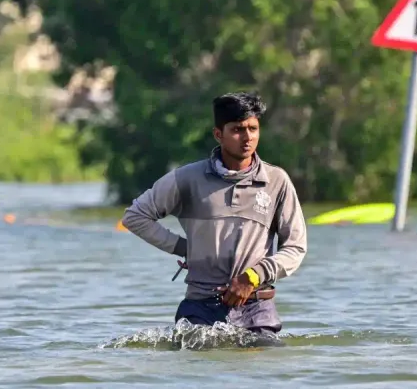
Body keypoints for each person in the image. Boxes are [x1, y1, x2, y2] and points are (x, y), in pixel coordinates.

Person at [121, 92, 307, 334]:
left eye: (253, 128)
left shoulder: (276, 181)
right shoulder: (187, 178)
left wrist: (253, 276)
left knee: (263, 368)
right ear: (219, 134)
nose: (247, 137)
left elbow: (296, 247)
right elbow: (135, 216)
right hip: (200, 307)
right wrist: (185, 248)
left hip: (257, 308)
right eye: (238, 129)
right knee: (198, 367)